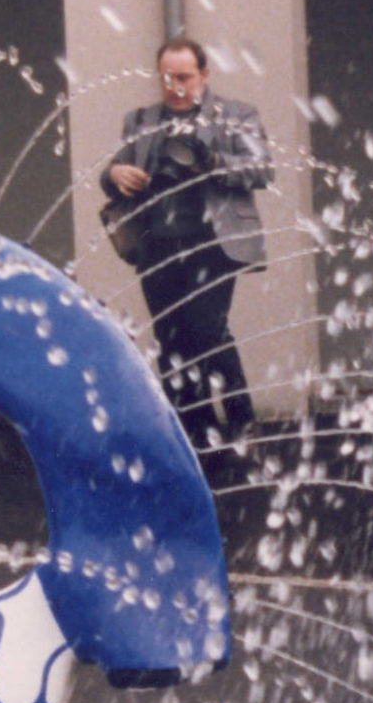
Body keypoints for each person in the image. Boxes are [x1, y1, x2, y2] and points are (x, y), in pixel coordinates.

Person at [101, 36, 271, 479]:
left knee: (207, 330)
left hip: (212, 242)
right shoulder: (139, 120)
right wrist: (113, 173)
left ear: (204, 75)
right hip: (157, 243)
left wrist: (210, 159)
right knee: (171, 341)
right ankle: (193, 436)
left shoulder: (235, 115)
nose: (174, 86)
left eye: (184, 77)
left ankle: (241, 422)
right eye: (166, 78)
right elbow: (114, 173)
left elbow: (261, 169)